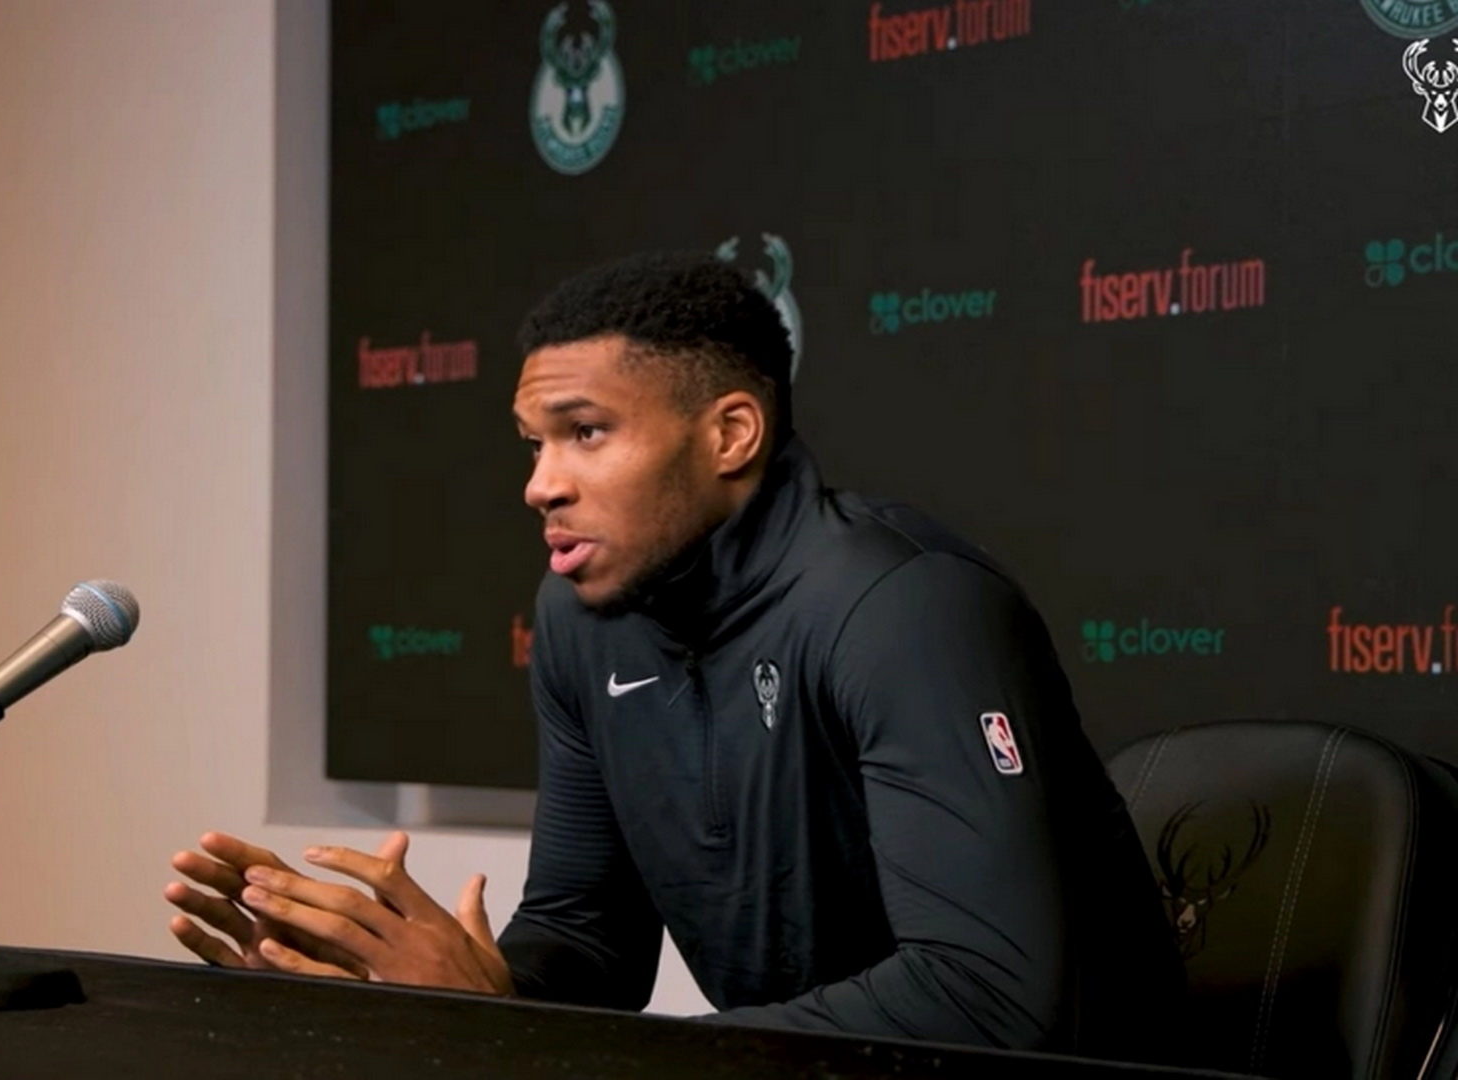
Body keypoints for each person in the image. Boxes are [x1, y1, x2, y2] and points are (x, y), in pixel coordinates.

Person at [164, 252, 1186, 1060]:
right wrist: (444, 991)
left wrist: (591, 1059)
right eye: (533, 443)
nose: (541, 484)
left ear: (730, 434)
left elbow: (989, 998)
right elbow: (588, 940)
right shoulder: (581, 619)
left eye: (585, 433)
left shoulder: (903, 608)